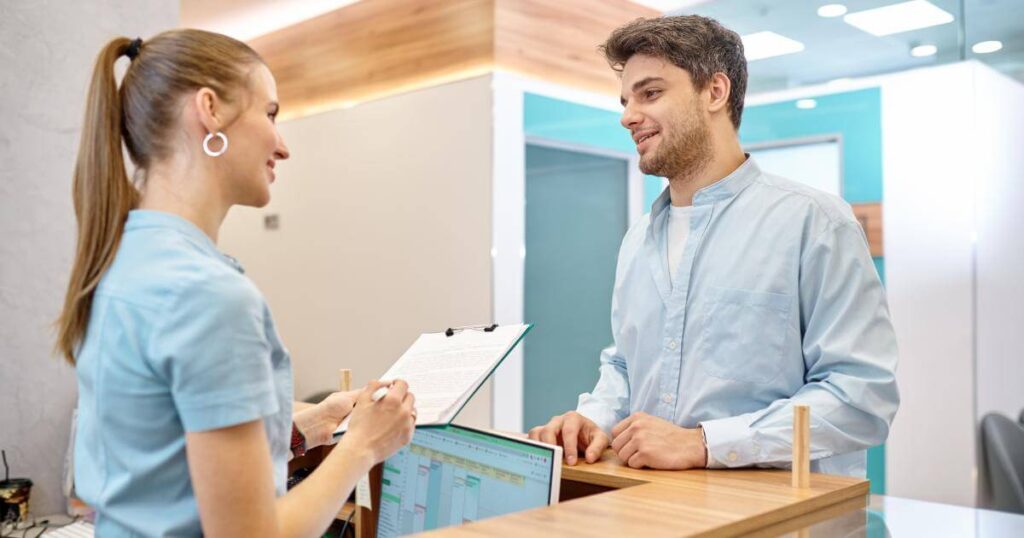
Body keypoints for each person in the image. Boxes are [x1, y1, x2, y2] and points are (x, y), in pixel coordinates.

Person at [55, 30, 415, 537]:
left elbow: (167, 462)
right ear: (210, 110)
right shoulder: (208, 296)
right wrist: (363, 446)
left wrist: (310, 426)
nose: (283, 147)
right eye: (270, 113)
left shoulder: (120, 260)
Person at [529, 15, 899, 477]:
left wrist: (705, 443)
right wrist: (594, 418)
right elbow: (624, 365)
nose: (627, 117)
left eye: (650, 93)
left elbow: (862, 397)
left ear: (715, 92)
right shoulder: (638, 240)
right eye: (625, 101)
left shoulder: (816, 223)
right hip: (655, 503)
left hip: (780, 511)